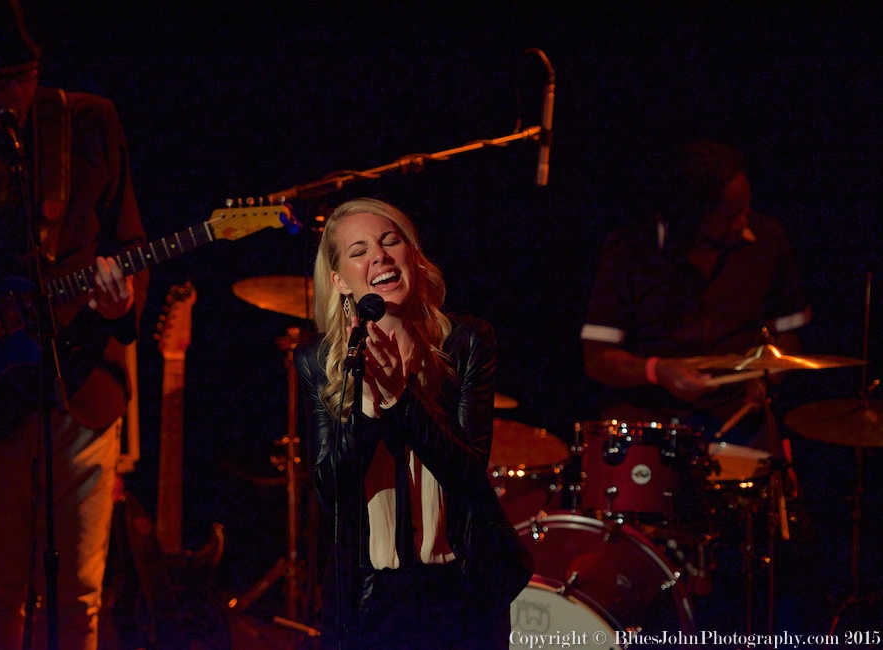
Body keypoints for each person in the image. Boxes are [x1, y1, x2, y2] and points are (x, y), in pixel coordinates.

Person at [0, 2, 147, 648]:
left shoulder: (88, 120)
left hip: (82, 383)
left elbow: (129, 242)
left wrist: (121, 302)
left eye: (26, 74)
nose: (14, 92)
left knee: (79, 597)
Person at [295, 198, 532, 649]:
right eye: (359, 250)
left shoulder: (466, 342)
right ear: (339, 280)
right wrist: (367, 406)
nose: (380, 257)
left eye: (391, 242)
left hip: (462, 585)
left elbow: (466, 472)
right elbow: (330, 491)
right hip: (367, 596)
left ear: (413, 257)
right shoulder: (316, 360)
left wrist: (400, 398)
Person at [581, 139, 810, 445]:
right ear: (691, 218)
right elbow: (597, 359)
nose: (744, 221)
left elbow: (791, 335)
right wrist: (657, 371)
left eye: (746, 208)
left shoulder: (767, 238)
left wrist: (768, 377)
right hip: (648, 419)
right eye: (730, 216)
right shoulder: (629, 250)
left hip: (736, 416)